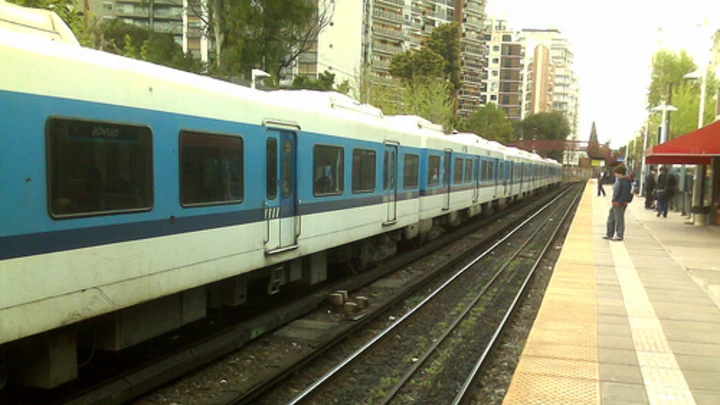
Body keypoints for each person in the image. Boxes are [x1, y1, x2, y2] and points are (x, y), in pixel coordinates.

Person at [603, 165, 633, 241]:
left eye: (616, 173)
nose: (615, 175)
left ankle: (619, 235)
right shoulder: (620, 180)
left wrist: (619, 202)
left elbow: (625, 194)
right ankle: (609, 234)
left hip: (620, 204)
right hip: (615, 202)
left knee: (619, 219)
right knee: (611, 219)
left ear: (620, 173)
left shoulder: (625, 182)